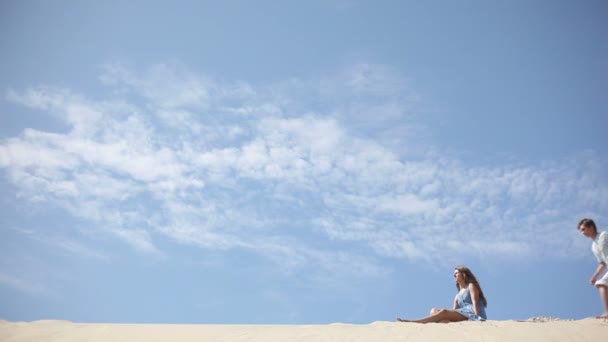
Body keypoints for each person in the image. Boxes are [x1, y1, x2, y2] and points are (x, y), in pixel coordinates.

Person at [396, 266, 487, 323]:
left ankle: (413, 322)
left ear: (463, 274)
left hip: (473, 313)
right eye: (454, 275)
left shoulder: (471, 286)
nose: (454, 276)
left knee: (443, 312)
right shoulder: (457, 296)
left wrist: (477, 318)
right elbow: (454, 311)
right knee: (434, 311)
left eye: (456, 273)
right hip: (463, 314)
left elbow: (475, 303)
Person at [578, 218, 608, 319]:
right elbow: (602, 263)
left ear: (591, 227)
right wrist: (594, 277)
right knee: (600, 284)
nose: (582, 232)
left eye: (583, 229)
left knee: (601, 284)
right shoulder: (593, 246)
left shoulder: (604, 235)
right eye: (581, 230)